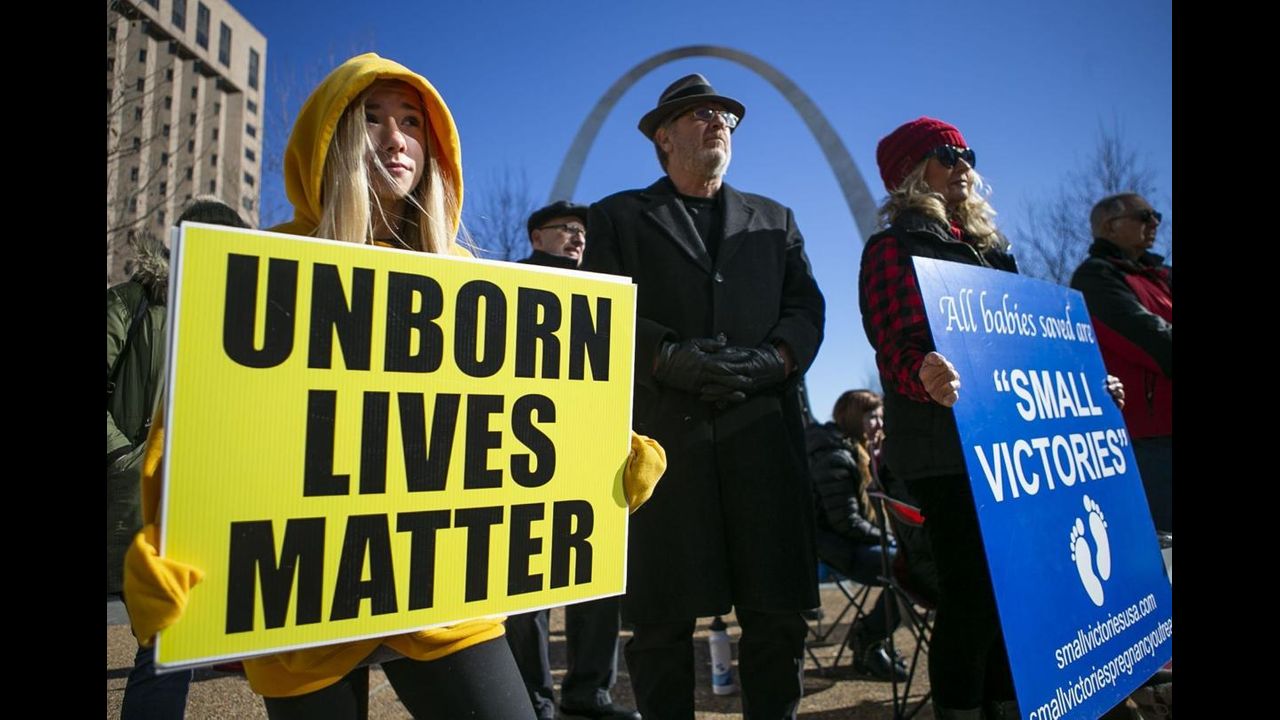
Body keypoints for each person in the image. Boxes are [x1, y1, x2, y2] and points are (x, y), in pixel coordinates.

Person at [123, 53, 666, 720]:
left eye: (412, 122)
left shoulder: (472, 280)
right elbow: (197, 425)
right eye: (371, 119)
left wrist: (602, 458)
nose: (396, 139)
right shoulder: (266, 266)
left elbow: (525, 405)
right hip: (299, 601)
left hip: (444, 596)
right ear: (331, 140)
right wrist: (170, 534)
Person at [582, 73, 825, 720]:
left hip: (762, 442)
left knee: (777, 618)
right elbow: (598, 309)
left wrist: (774, 360)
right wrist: (664, 355)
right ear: (663, 137)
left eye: (725, 115)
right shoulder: (616, 216)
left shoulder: (775, 220)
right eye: (699, 114)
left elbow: (806, 309)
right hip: (665, 446)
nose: (718, 121)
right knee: (660, 626)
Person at [109, 196, 249, 719]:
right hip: (131, 500)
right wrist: (128, 458)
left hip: (196, 508)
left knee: (167, 643)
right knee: (163, 643)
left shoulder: (242, 322)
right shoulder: (131, 305)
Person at [505, 200, 639, 720]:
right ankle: (535, 699)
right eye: (566, 229)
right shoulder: (509, 285)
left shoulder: (609, 291)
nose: (578, 237)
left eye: (583, 231)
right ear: (537, 237)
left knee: (598, 580)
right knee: (526, 588)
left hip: (592, 452)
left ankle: (589, 692)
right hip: (527, 452)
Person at [1070, 193, 1172, 533]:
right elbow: (1150, 339)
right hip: (1151, 441)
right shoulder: (1095, 278)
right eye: (1144, 216)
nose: (1154, 222)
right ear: (1109, 226)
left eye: (1156, 216)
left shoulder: (1162, 276)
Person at [806, 389, 906, 681]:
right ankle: (868, 639)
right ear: (853, 418)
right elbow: (846, 522)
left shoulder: (864, 451)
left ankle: (873, 637)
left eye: (881, 417)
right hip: (838, 550)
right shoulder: (833, 455)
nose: (879, 424)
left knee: (916, 564)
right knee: (908, 569)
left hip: (856, 542)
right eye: (872, 417)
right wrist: (890, 538)